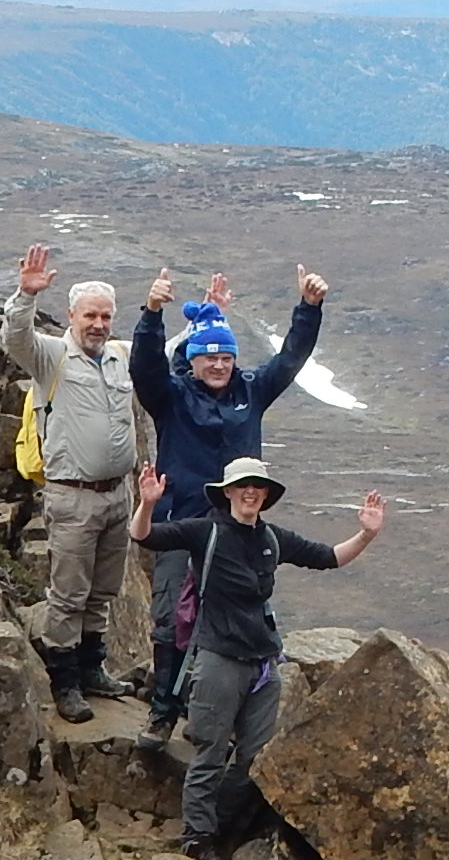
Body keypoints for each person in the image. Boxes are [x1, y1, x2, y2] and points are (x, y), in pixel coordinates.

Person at [127, 455, 385, 860]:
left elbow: (328, 557)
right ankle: (197, 840)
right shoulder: (204, 531)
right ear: (227, 492)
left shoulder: (273, 538)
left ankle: (223, 832)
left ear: (265, 496)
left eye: (258, 487)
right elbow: (144, 536)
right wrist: (148, 503)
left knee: (254, 756)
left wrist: (366, 536)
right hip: (217, 659)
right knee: (209, 752)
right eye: (243, 485)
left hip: (263, 667)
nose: (250, 492)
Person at [133, 263, 328, 746]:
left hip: (240, 529)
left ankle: (235, 714)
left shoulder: (251, 392)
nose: (218, 365)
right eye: (208, 357)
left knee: (243, 618)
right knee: (170, 621)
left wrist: (309, 309)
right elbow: (146, 367)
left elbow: (291, 359)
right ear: (193, 361)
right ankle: (163, 712)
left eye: (226, 357)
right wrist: (152, 313)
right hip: (184, 522)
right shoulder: (172, 398)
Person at [6, 246, 143, 722]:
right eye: (90, 315)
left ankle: (92, 669)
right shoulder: (51, 356)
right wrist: (25, 295)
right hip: (72, 497)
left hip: (116, 495)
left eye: (106, 316)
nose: (99, 324)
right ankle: (64, 681)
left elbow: (167, 351)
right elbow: (16, 338)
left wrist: (207, 316)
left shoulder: (119, 357)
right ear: (71, 316)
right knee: (68, 594)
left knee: (103, 590)